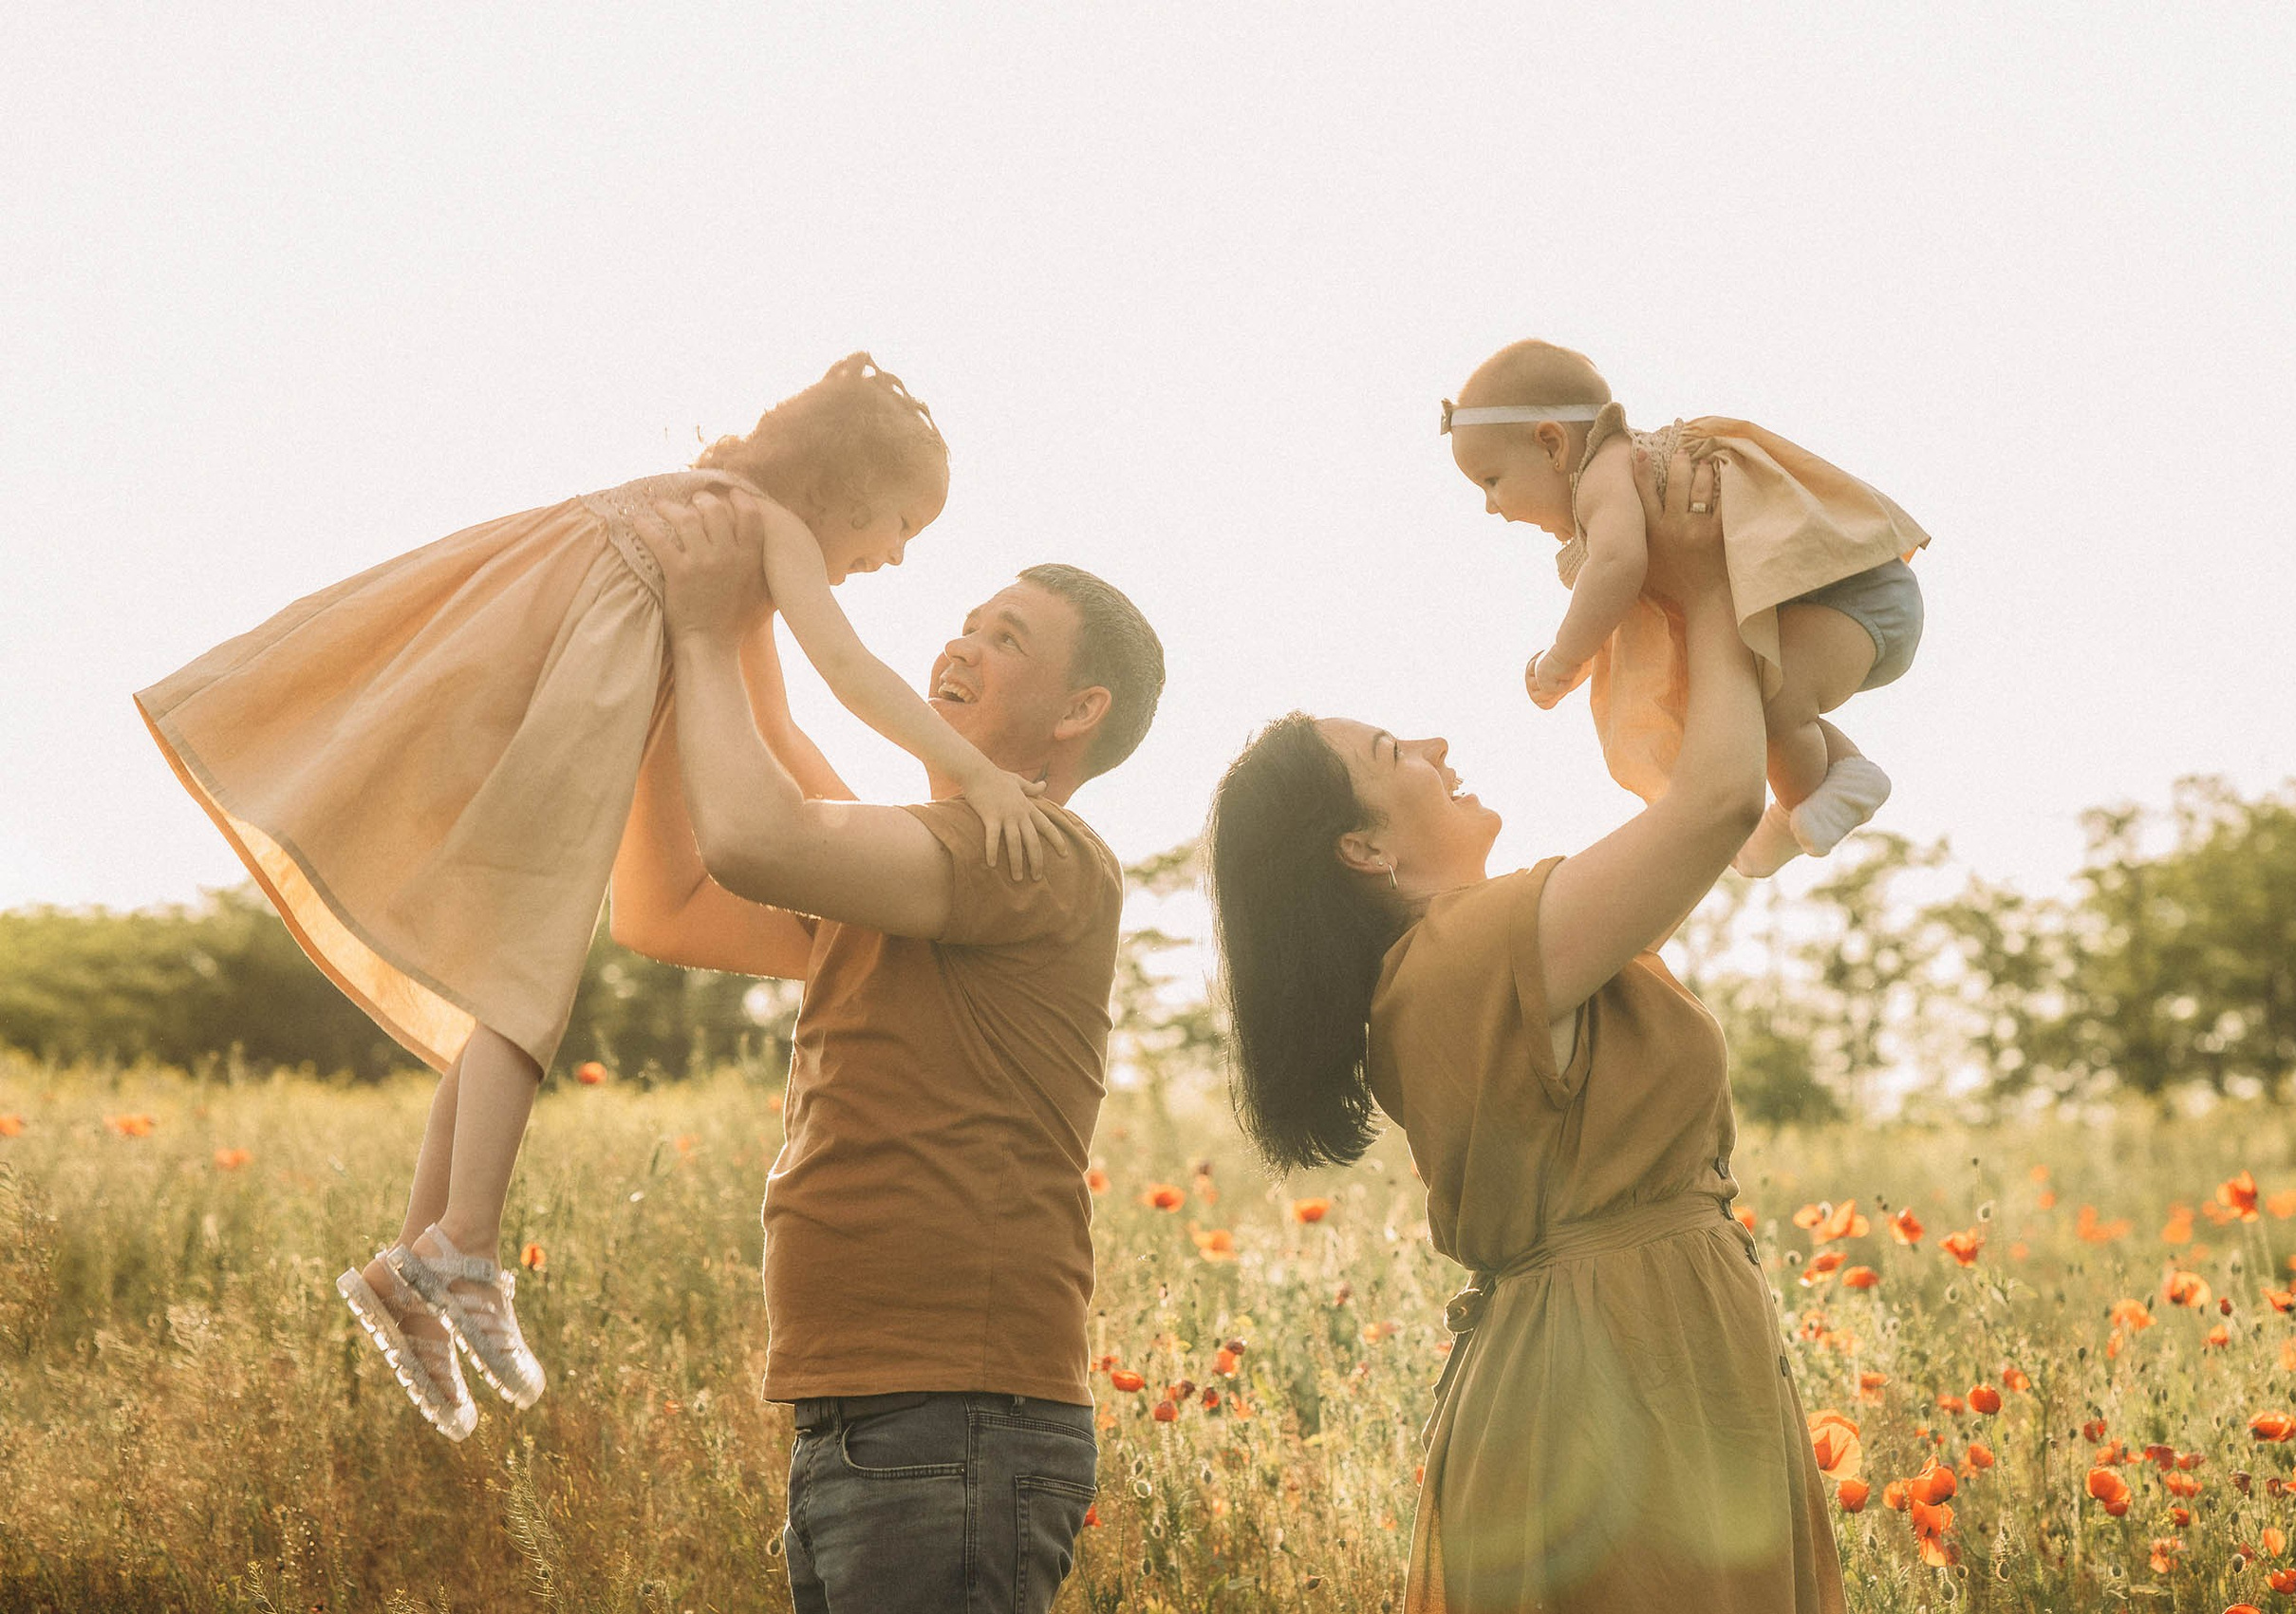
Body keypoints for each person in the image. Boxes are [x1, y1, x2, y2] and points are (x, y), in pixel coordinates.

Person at [133, 353, 1066, 1441]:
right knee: (527, 978)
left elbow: (782, 730)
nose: (899, 553)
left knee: (504, 984)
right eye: (901, 522)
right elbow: (850, 673)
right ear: (847, 487)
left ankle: (412, 1259)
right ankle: (464, 1251)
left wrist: (869, 855)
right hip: (558, 714)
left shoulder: (712, 516)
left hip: (514, 692)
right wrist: (984, 776)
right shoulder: (760, 530)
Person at [1206, 443, 1844, 1611]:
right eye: (1392, 754)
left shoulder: (1470, 953)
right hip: (1613, 1389)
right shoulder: (1466, 952)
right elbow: (1715, 800)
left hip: (1642, 1360)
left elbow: (1705, 793)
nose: (1437, 747)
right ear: (1363, 849)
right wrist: (1703, 583)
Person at [610, 489, 1164, 1614]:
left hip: (954, 1416)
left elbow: (760, 831)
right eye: (967, 619)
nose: (962, 641)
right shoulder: (908, 867)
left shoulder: (1032, 851)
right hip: (876, 1414)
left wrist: (710, 632)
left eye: (1007, 638)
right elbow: (661, 905)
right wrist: (693, 636)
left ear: (1079, 710)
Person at [1442, 337, 1932, 877]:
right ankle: (1840, 777)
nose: (1491, 506)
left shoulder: (1606, 474)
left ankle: (1806, 802)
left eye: (1492, 480)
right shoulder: (1615, 481)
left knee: (1769, 706)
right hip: (1823, 603)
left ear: (1552, 445)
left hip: (1854, 596)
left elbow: (1616, 568)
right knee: (1747, 699)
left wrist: (1562, 657)